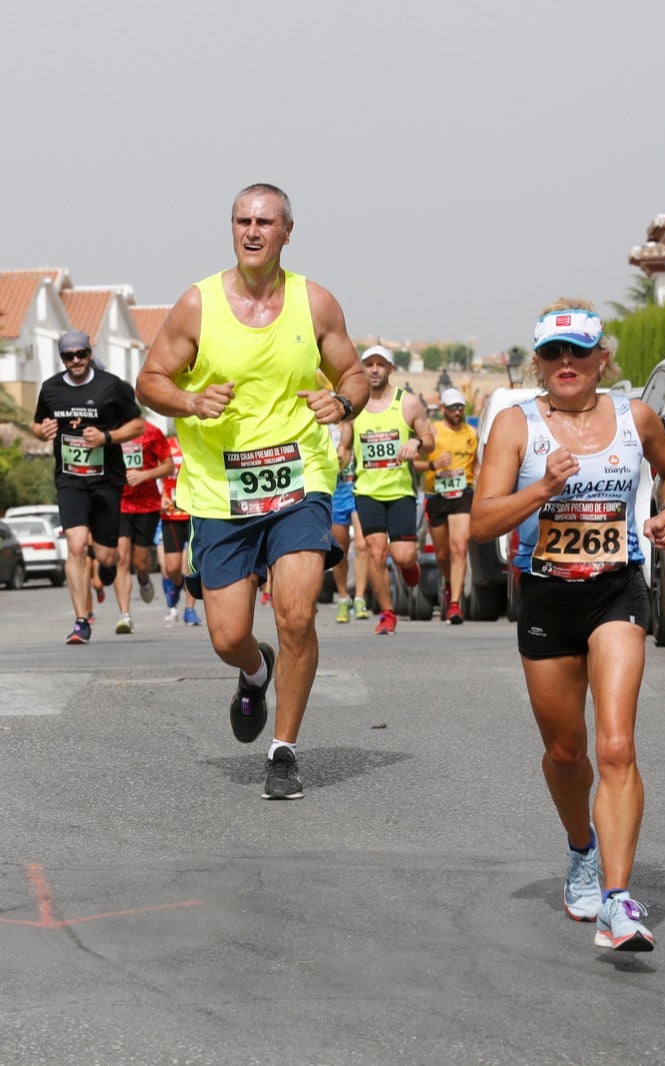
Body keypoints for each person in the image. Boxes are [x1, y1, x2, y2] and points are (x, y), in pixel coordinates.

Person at [470, 302, 665, 953]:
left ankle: (618, 901)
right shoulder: (518, 426)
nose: (565, 364)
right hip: (545, 598)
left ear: (602, 359)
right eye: (552, 353)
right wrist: (539, 491)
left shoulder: (635, 418)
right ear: (539, 363)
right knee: (568, 753)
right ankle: (581, 849)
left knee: (617, 745)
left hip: (616, 592)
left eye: (578, 352)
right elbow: (481, 523)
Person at [136, 182, 367, 800]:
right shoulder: (197, 305)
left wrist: (342, 401)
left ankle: (284, 750)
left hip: (300, 479)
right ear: (232, 228)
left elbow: (354, 372)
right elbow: (149, 379)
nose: (253, 231)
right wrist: (188, 399)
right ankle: (254, 670)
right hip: (220, 490)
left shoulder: (314, 303)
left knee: (296, 612)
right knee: (227, 635)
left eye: (265, 221)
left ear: (288, 230)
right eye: (243, 220)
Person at [31, 329, 146, 645]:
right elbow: (37, 424)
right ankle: (82, 621)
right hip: (70, 480)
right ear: (62, 359)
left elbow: (138, 425)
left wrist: (106, 438)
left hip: (107, 480)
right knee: (77, 545)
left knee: (108, 558)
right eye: (69, 356)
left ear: (89, 354)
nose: (76, 360)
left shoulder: (111, 386)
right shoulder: (51, 389)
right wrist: (43, 431)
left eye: (80, 354)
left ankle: (105, 570)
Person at [351, 346, 435, 635]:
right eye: (369, 364)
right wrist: (339, 452)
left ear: (390, 368)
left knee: (402, 556)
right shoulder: (354, 405)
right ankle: (387, 612)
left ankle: (410, 566)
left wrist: (416, 444)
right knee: (375, 552)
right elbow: (344, 443)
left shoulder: (408, 403)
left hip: (400, 491)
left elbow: (429, 439)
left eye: (380, 364)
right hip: (367, 490)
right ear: (362, 369)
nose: (374, 369)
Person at [413, 386, 479, 624]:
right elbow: (415, 463)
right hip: (437, 494)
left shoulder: (471, 432)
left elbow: (478, 464)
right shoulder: (433, 432)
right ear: (443, 409)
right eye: (452, 407)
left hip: (462, 494)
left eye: (460, 406)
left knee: (460, 547)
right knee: (442, 553)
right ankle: (450, 583)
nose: (457, 411)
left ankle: (455, 605)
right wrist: (434, 465)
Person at [114, 419, 174, 633]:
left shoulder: (152, 432)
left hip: (146, 505)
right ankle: (125, 615)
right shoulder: (111, 431)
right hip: (118, 503)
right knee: (120, 558)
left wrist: (144, 475)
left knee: (140, 562)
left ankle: (143, 578)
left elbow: (169, 466)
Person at [158, 434, 203, 626]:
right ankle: (177, 585)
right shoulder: (165, 445)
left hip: (193, 512)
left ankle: (190, 610)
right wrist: (159, 498)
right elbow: (155, 474)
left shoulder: (198, 441)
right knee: (172, 568)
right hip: (170, 514)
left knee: (189, 565)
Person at [328, 420, 369, 622]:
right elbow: (338, 462)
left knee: (362, 545)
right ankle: (343, 598)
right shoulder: (324, 428)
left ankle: (360, 598)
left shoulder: (360, 423)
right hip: (336, 493)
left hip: (359, 490)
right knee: (340, 551)